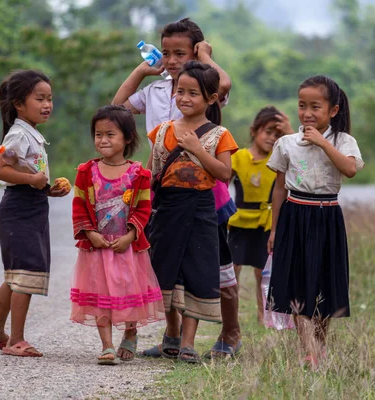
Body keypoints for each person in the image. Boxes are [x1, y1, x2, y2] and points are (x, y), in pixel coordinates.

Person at [114, 18, 241, 359]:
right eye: (166, 53)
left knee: (211, 264)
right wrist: (142, 71)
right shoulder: (155, 90)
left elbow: (223, 82)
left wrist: (205, 57)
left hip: (205, 194)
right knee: (165, 262)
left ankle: (230, 332)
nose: (171, 61)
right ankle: (172, 337)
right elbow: (117, 107)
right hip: (165, 189)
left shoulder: (205, 84)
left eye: (180, 53)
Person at [266, 75, 364, 370]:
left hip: (327, 216)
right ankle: (308, 350)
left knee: (324, 284)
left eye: (315, 107)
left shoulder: (343, 141)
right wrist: (274, 229)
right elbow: (279, 187)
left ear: (333, 110)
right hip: (295, 216)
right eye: (302, 106)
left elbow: (350, 169)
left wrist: (322, 143)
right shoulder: (287, 143)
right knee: (297, 284)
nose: (307, 113)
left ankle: (319, 346)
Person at [147, 61, 238, 363]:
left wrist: (198, 150)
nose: (184, 98)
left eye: (193, 93)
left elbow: (225, 174)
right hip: (167, 209)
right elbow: (152, 172)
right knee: (166, 272)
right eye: (180, 92)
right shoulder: (162, 132)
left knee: (195, 272)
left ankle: (188, 343)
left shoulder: (219, 135)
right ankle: (171, 337)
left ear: (211, 99)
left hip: (201, 209)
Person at [0, 70, 70, 357]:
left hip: (31, 208)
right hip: (17, 211)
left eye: (50, 99)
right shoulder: (18, 134)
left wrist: (47, 189)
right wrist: (33, 181)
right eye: (39, 98)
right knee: (25, 273)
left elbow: (27, 173)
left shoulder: (30, 134)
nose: (47, 104)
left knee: (15, 276)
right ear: (19, 103)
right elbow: (0, 170)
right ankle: (15, 340)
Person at [70, 105, 165, 364]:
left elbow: (145, 208)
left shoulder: (138, 175)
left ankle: (130, 333)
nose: (103, 140)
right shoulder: (85, 172)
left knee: (127, 293)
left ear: (127, 138)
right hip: (97, 248)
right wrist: (89, 233)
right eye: (98, 134)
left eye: (110, 134)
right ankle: (107, 346)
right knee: (101, 295)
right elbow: (79, 205)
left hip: (127, 248)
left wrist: (131, 235)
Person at [228, 106, 292, 323]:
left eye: (278, 135)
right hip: (239, 220)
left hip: (265, 222)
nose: (272, 138)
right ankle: (230, 315)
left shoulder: (278, 160)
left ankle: (262, 316)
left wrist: (290, 132)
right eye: (268, 132)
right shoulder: (238, 157)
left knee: (262, 273)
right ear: (254, 131)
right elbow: (222, 183)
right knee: (231, 270)